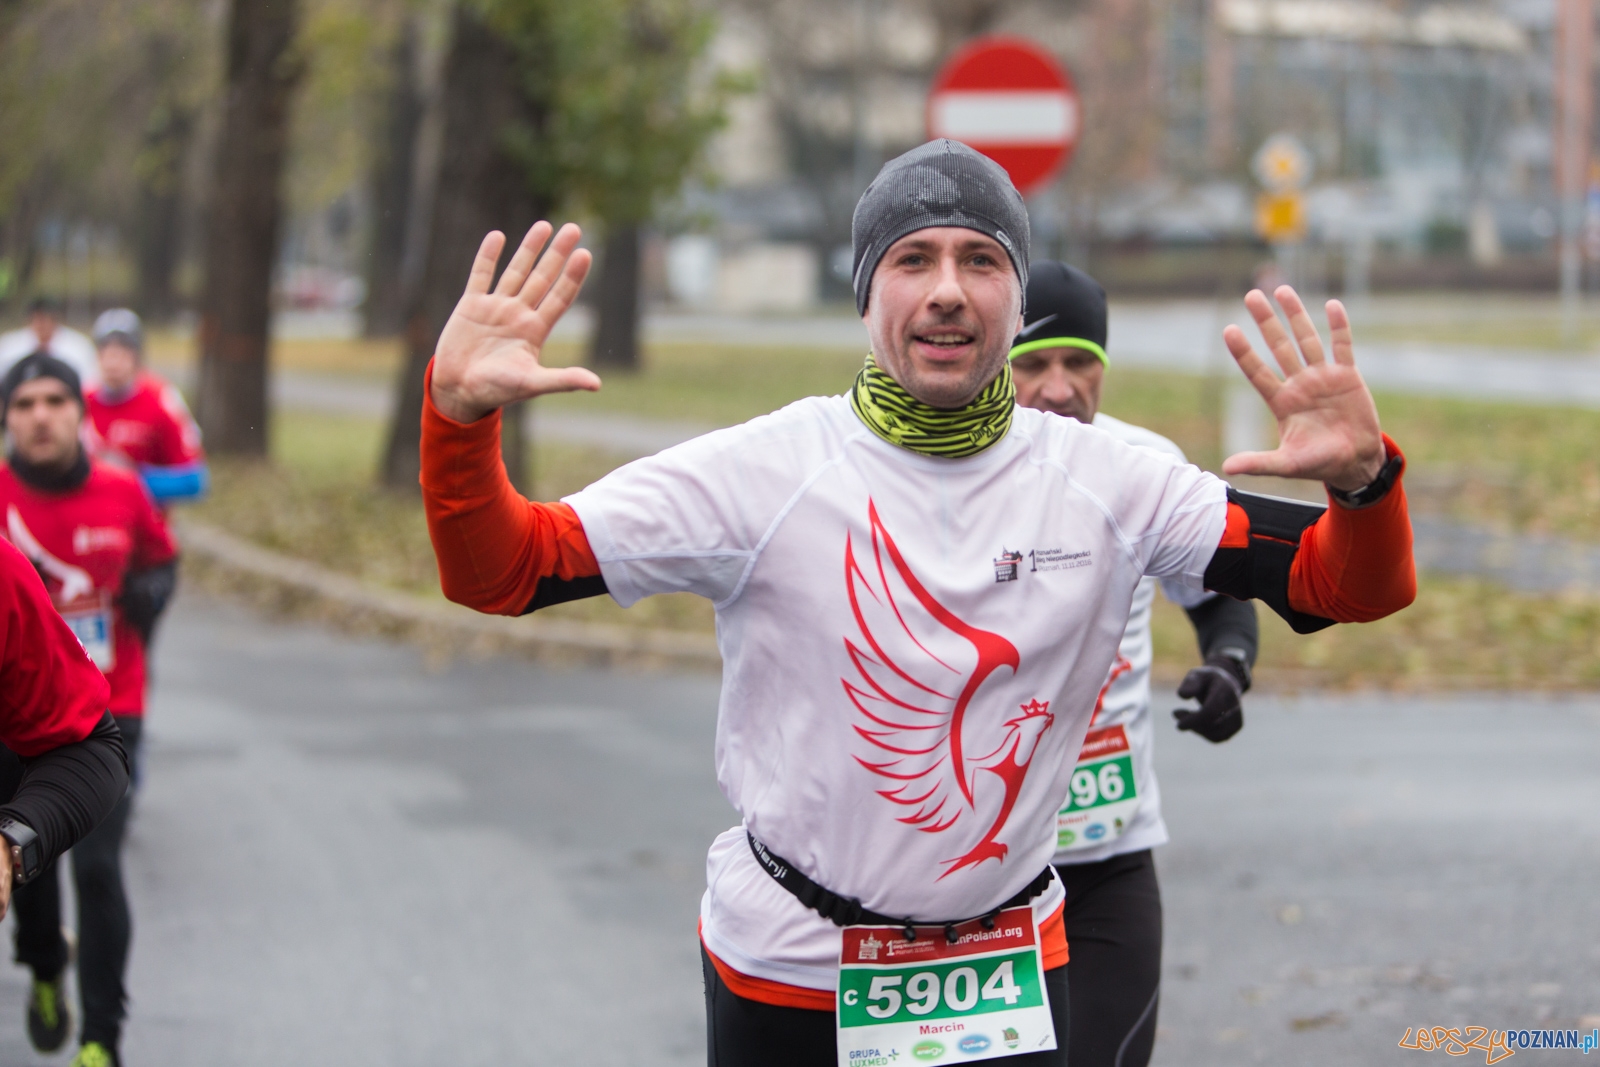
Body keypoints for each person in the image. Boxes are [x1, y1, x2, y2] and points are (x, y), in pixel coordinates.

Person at [419, 139, 1415, 1066]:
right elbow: (503, 569)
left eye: (980, 260)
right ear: (864, 296)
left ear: (1017, 299)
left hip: (1012, 969)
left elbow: (1345, 584)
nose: (947, 290)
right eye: (912, 260)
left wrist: (1364, 485)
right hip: (794, 968)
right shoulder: (761, 473)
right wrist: (459, 420)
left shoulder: (1113, 480)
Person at [1010, 262, 1259, 1067]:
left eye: (1079, 361)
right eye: (1032, 363)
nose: (1058, 387)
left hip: (1107, 859)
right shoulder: (949, 475)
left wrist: (1228, 665)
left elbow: (1223, 594)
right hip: (980, 877)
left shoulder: (1144, 466)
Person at [0, 353, 178, 1067]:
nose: (40, 415)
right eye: (23, 404)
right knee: (29, 866)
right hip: (19, 707)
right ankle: (46, 965)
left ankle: (101, 1040)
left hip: (109, 699)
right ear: (8, 420)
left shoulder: (122, 489)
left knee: (99, 865)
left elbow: (162, 560)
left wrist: (152, 595)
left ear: (80, 412)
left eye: (54, 401)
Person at [85, 309, 208, 505]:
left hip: (145, 524)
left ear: (138, 356)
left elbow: (194, 481)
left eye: (123, 351)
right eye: (106, 351)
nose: (113, 361)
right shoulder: (81, 402)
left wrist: (129, 477)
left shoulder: (161, 399)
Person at [0, 297, 99, 388]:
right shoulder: (10, 345)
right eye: (37, 318)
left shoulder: (79, 346)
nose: (42, 324)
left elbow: (89, 383)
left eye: (46, 318)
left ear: (56, 319)